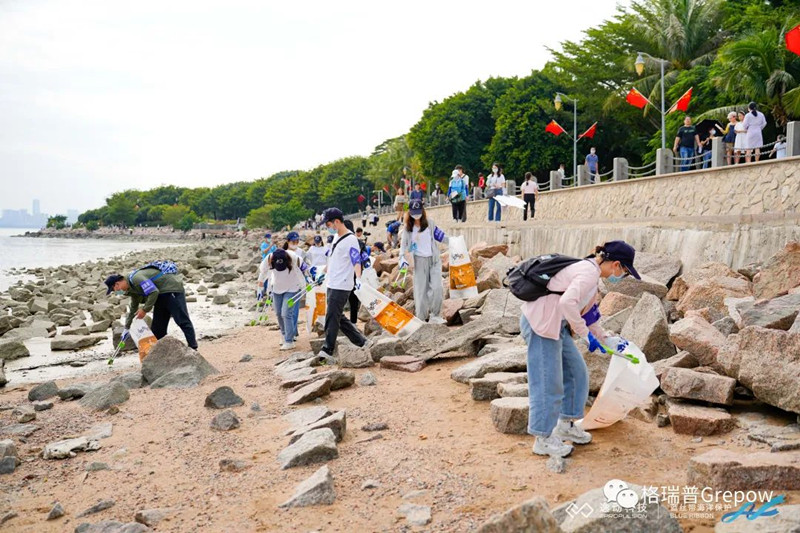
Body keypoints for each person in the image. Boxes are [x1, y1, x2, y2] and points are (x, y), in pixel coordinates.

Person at [521, 240, 641, 457]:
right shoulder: (588, 273)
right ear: (615, 264)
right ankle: (543, 438)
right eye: (624, 270)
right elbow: (567, 304)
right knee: (549, 382)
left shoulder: (591, 276)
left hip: (557, 325)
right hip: (542, 325)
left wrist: (605, 339)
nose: (622, 275)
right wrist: (586, 337)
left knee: (577, 372)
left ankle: (566, 425)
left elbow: (589, 315)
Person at [105, 265, 198, 351]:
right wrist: (127, 328)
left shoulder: (135, 279)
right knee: (157, 328)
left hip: (171, 288)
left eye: (114, 290)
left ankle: (193, 348)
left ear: (117, 284)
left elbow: (153, 292)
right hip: (160, 294)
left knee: (181, 319)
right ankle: (161, 353)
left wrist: (144, 310)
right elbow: (133, 307)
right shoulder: (131, 288)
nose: (117, 292)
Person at [319, 208, 368, 361]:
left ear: (337, 222)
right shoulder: (335, 238)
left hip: (342, 284)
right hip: (332, 282)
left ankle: (327, 349)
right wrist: (323, 272)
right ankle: (361, 341)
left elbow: (356, 260)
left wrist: (358, 278)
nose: (328, 227)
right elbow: (333, 259)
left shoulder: (351, 239)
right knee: (338, 317)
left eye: (329, 224)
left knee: (332, 316)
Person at [399, 200, 449, 323]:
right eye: (413, 213)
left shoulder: (430, 223)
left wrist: (455, 242)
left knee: (437, 288)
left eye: (418, 212)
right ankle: (421, 318)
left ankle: (435, 315)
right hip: (419, 261)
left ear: (423, 211)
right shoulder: (407, 229)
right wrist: (401, 258)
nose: (416, 215)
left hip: (434, 260)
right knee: (420, 291)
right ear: (409, 213)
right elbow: (403, 246)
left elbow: (440, 236)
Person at [257, 248, 306, 350]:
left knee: (286, 313)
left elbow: (305, 269)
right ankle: (284, 335)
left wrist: (308, 281)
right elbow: (263, 273)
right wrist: (260, 288)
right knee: (278, 313)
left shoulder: (294, 257)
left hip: (292, 288)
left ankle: (289, 341)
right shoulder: (269, 258)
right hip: (277, 288)